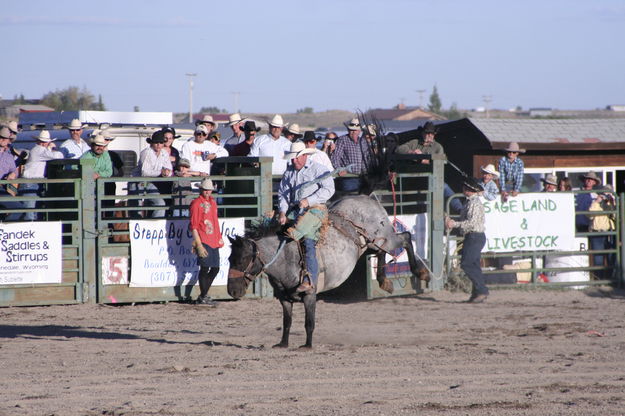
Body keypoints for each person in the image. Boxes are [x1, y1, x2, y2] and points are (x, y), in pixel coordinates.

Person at [279, 141, 335, 294]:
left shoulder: (318, 169)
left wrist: (309, 200)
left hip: (316, 209)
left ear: (304, 156)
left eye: (296, 158)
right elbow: (283, 194)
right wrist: (283, 212)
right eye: (292, 158)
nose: (293, 161)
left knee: (308, 239)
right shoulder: (289, 172)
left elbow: (329, 189)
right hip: (295, 209)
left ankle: (310, 280)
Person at [396, 121, 461, 212]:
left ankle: (459, 209)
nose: (430, 135)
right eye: (427, 133)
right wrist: (411, 152)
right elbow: (399, 149)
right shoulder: (414, 143)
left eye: (432, 133)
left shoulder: (438, 147)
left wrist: (421, 159)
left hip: (430, 178)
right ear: (423, 133)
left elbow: (440, 163)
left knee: (444, 187)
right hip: (412, 177)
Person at [445, 177, 488, 303]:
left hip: (474, 235)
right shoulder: (471, 203)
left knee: (467, 263)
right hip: (475, 236)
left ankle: (481, 290)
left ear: (469, 190)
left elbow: (471, 223)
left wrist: (454, 224)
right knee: (473, 264)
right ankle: (477, 293)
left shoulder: (473, 204)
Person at [189, 178, 224, 306]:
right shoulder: (196, 204)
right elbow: (194, 225)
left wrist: (219, 237)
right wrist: (198, 244)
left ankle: (203, 295)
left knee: (215, 268)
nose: (208, 192)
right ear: (201, 189)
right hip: (204, 239)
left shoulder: (213, 203)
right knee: (205, 268)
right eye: (205, 189)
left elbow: (215, 221)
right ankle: (203, 296)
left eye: (209, 189)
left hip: (213, 239)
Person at [21, 130, 64, 220]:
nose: (43, 144)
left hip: (32, 183)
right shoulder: (39, 150)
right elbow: (58, 156)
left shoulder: (37, 150)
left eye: (44, 142)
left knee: (33, 212)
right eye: (43, 142)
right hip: (31, 183)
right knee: (31, 213)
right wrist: (53, 148)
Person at [129, 130, 173, 218]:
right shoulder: (146, 152)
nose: (159, 144)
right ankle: (135, 228)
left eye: (161, 142)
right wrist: (162, 172)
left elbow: (170, 169)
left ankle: (154, 228)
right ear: (152, 143)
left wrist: (166, 173)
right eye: (156, 142)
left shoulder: (164, 153)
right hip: (137, 182)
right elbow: (145, 172)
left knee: (160, 205)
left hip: (150, 183)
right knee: (136, 209)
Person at [330, 118, 371, 193]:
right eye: (351, 130)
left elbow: (368, 158)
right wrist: (340, 169)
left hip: (363, 177)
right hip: (349, 177)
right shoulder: (342, 140)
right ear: (348, 130)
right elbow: (335, 157)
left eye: (355, 130)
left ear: (359, 131)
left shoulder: (363, 142)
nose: (353, 132)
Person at [588, 184, 616, 279]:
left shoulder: (612, 203)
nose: (606, 194)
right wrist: (597, 202)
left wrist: (612, 203)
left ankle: (610, 279)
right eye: (605, 192)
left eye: (609, 192)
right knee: (598, 257)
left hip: (610, 231)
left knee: (611, 256)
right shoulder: (596, 202)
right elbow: (590, 215)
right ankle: (599, 279)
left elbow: (616, 217)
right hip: (598, 232)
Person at [0, 126, 22, 220]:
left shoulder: (9, 155)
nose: (2, 140)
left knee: (19, 208)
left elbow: (14, 170)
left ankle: (6, 230)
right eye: (1, 137)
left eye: (4, 138)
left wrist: (13, 173)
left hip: (2, 188)